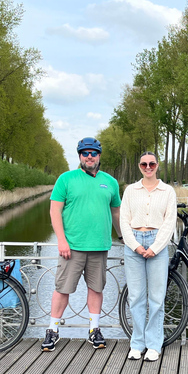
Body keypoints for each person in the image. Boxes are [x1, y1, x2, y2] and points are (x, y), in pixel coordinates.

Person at [42, 137, 121, 352]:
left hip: (99, 246)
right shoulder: (66, 179)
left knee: (96, 289)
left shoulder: (111, 182)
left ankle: (94, 329)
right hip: (72, 247)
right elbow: (54, 211)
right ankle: (52, 330)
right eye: (85, 153)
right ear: (79, 156)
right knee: (62, 289)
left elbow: (116, 212)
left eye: (93, 153)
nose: (89, 156)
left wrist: (123, 236)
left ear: (99, 156)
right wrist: (61, 240)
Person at [120, 152, 177, 362]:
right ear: (139, 166)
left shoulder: (168, 191)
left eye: (152, 163)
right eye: (144, 163)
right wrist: (135, 245)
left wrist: (155, 247)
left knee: (156, 298)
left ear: (157, 165)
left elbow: (169, 222)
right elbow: (124, 222)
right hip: (133, 243)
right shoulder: (130, 191)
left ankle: (154, 344)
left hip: (157, 243)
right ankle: (137, 344)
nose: (148, 166)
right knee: (135, 297)